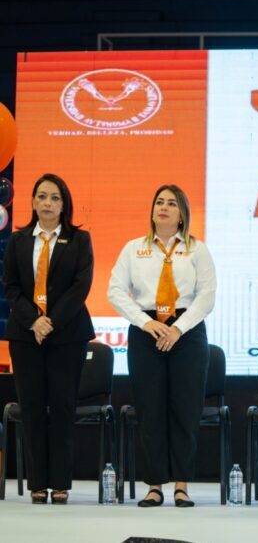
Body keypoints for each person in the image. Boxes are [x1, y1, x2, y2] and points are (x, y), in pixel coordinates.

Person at [108, 184, 216, 507]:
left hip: (187, 332)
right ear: (152, 210)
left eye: (172, 203)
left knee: (185, 408)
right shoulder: (133, 249)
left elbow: (207, 296)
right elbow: (115, 291)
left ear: (182, 213)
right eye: (159, 202)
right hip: (147, 331)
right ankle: (154, 485)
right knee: (150, 408)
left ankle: (181, 485)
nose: (164, 207)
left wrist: (178, 329)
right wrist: (147, 322)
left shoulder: (198, 250)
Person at [2, 174, 94, 504]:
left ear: (64, 204)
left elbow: (80, 287)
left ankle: (60, 483)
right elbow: (11, 286)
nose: (48, 203)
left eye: (55, 198)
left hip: (67, 336)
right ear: (32, 202)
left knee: (62, 408)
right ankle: (38, 483)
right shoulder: (19, 240)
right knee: (32, 409)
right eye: (42, 196)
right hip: (26, 337)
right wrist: (34, 321)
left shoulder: (79, 240)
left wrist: (50, 321)